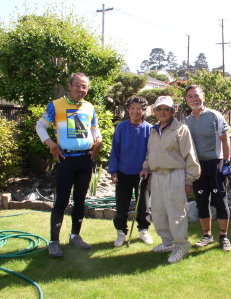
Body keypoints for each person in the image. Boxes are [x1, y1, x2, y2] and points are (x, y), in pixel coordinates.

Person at [35, 72, 102, 258]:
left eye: (84, 86)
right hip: (66, 160)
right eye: (78, 85)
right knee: (62, 201)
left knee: (80, 200)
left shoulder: (89, 107)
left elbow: (95, 129)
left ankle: (75, 236)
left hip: (85, 160)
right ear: (70, 86)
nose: (81, 89)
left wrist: (99, 141)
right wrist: (51, 145)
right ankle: (54, 242)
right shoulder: (56, 106)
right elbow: (40, 126)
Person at [140, 96, 200, 264]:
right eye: (159, 109)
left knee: (176, 213)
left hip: (176, 175)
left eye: (167, 109)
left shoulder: (181, 129)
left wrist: (189, 180)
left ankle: (182, 246)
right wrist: (146, 167)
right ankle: (168, 242)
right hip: (157, 176)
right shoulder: (153, 130)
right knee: (158, 213)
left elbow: (190, 156)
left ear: (173, 111)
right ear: (154, 111)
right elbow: (150, 153)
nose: (163, 112)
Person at [184, 85, 231, 251]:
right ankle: (207, 236)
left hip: (216, 164)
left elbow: (225, 140)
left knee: (220, 201)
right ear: (186, 100)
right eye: (190, 96)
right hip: (198, 167)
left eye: (196, 95)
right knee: (201, 202)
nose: (194, 99)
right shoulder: (187, 121)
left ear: (203, 96)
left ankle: (224, 237)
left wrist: (226, 162)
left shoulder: (214, 116)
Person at [108, 97, 153, 247]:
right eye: (132, 108)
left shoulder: (149, 128)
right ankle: (121, 232)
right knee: (122, 205)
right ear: (128, 110)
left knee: (143, 205)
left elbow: (151, 152)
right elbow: (115, 149)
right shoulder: (121, 127)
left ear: (144, 110)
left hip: (142, 173)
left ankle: (143, 230)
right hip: (123, 172)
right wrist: (113, 171)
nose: (135, 111)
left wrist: (148, 169)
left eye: (139, 108)